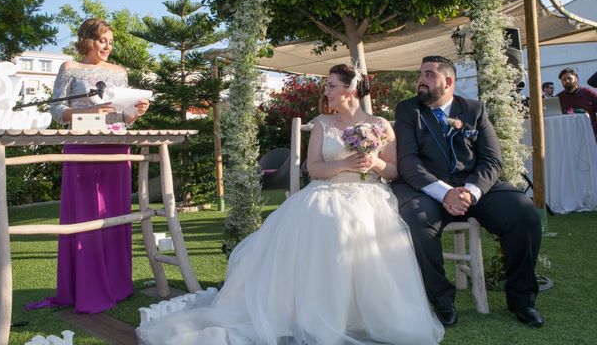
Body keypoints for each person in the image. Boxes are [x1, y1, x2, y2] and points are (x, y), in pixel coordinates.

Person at [137, 64, 444, 345]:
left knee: (356, 220)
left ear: (350, 90)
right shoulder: (323, 123)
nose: (326, 92)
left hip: (370, 192)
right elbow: (313, 169)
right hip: (326, 188)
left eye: (332, 86)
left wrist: (374, 161)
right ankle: (312, 310)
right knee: (323, 215)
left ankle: (362, 312)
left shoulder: (379, 124)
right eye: (327, 86)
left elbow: (393, 170)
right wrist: (346, 162)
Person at [392, 56, 543, 328]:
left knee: (525, 214)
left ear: (448, 82)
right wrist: (445, 193)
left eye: (428, 74)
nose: (420, 80)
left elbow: (493, 160)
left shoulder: (474, 110)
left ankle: (522, 300)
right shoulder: (407, 111)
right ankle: (442, 300)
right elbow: (408, 161)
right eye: (419, 74)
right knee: (417, 221)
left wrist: (471, 192)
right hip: (428, 189)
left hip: (475, 187)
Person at [26, 18, 149, 314]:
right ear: (87, 41)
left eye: (111, 41)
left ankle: (118, 285)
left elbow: (121, 115)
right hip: (81, 146)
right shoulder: (69, 68)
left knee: (114, 214)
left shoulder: (119, 72)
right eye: (102, 40)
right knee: (84, 214)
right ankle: (84, 287)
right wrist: (91, 110)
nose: (107, 46)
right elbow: (56, 110)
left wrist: (135, 113)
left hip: (116, 145)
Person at [556, 67, 597, 137]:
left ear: (576, 78)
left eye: (569, 78)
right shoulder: (558, 98)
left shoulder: (589, 93)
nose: (567, 81)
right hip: (568, 136)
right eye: (564, 80)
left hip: (590, 135)